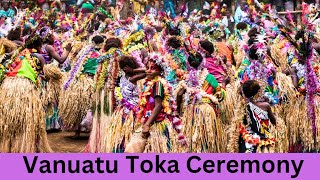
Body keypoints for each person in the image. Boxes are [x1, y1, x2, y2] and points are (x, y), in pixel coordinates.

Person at [0, 35, 53, 152]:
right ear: (39, 46)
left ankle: (8, 149)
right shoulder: (39, 57)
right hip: (24, 88)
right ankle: (24, 150)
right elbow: (44, 75)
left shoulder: (16, 56)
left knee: (10, 121)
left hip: (7, 87)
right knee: (25, 122)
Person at [176, 51, 227, 152]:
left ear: (189, 64)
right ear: (202, 63)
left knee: (192, 138)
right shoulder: (210, 78)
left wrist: (178, 111)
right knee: (207, 139)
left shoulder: (187, 78)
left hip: (191, 111)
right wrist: (224, 86)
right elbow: (220, 96)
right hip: (207, 111)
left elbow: (179, 94)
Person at [104, 55, 146, 153]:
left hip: (129, 110)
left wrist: (133, 71)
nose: (125, 69)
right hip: (126, 111)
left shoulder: (129, 77)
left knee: (128, 132)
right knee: (125, 133)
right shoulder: (127, 78)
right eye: (124, 67)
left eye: (127, 67)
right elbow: (146, 71)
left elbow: (147, 72)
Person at [238, 80, 276, 153]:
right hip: (262, 142)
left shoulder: (243, 107)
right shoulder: (265, 106)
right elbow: (274, 122)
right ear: (258, 93)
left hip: (247, 141)